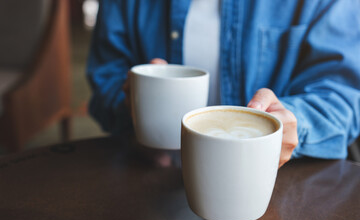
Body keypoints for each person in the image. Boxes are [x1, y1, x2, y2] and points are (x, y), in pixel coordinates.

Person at [87, 0, 360, 167]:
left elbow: (344, 96)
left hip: (282, 187)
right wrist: (130, 104)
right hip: (149, 179)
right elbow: (105, 77)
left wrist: (292, 124)